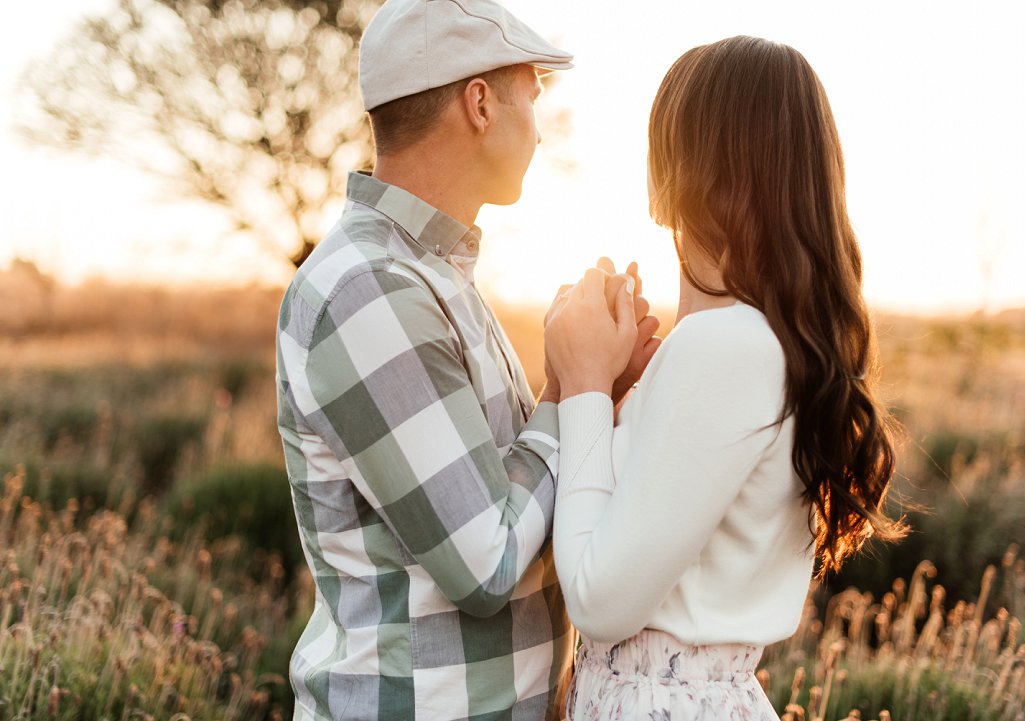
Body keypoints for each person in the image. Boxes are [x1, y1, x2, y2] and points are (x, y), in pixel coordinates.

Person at [276, 1, 658, 719]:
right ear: (480, 103)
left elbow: (508, 494)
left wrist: (600, 389)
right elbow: (487, 562)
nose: (541, 132)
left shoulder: (433, 277)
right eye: (533, 96)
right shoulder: (369, 289)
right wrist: (572, 387)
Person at [545, 36, 906, 720]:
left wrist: (585, 384)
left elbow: (599, 601)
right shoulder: (758, 343)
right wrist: (621, 394)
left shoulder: (725, 346)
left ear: (677, 176)